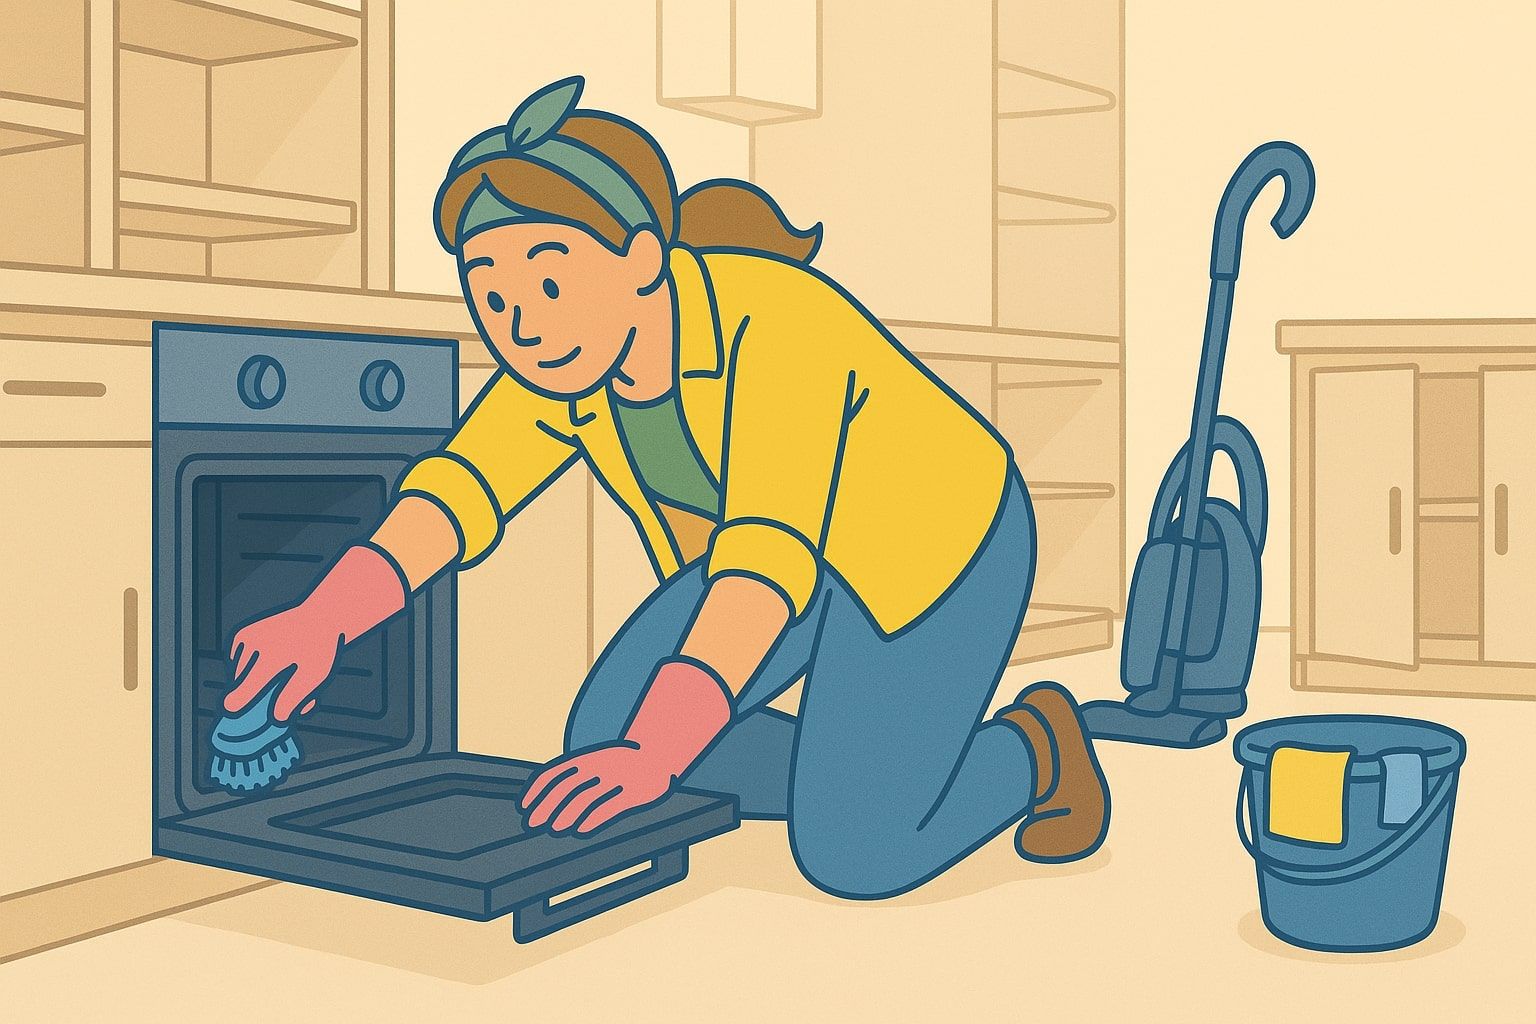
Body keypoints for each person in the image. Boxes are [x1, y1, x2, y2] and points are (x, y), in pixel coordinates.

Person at [224, 77, 1110, 899]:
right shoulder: (565, 363)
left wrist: (659, 745)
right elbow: (460, 491)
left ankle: (1033, 750)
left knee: (854, 854)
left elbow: (765, 559)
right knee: (601, 755)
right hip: (775, 564)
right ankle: (859, 767)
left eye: (548, 276)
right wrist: (324, 617)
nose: (522, 324)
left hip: (932, 549)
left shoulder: (781, 325)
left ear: (643, 258)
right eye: (490, 298)